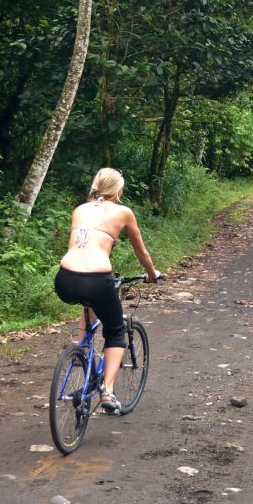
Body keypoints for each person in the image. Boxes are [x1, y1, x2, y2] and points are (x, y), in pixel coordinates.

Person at [54, 168, 161, 414]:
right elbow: (141, 252)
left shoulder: (80, 210)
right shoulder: (123, 212)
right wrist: (152, 275)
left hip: (65, 279)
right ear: (119, 190)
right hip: (96, 279)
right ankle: (108, 392)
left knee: (87, 302)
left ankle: (79, 348)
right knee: (115, 331)